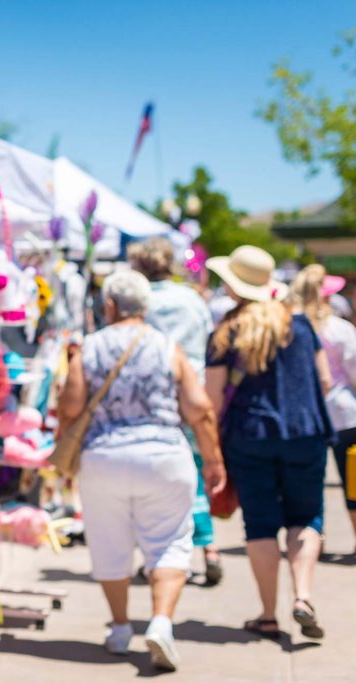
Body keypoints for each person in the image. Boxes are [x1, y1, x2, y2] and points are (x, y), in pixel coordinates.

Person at [58, 270, 225, 671]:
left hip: (105, 458)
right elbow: (199, 410)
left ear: (110, 305)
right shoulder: (168, 347)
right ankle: (162, 623)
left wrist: (62, 453)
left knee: (109, 542)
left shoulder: (90, 347)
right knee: (169, 541)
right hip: (164, 456)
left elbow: (70, 407)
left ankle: (118, 629)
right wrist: (214, 460)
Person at [205, 246, 333, 640]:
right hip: (305, 433)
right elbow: (325, 381)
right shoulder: (301, 325)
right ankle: (304, 597)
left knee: (260, 523)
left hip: (249, 436)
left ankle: (267, 614)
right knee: (306, 518)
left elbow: (211, 399)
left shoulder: (226, 331)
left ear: (232, 285)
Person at [129, 237, 223, 585]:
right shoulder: (191, 299)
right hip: (195, 390)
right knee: (196, 473)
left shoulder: (140, 300)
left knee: (156, 479)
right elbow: (209, 342)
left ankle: (159, 556)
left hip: (154, 399)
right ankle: (208, 547)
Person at [290, 264, 356, 553]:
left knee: (310, 484)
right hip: (345, 414)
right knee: (353, 481)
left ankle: (315, 538)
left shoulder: (293, 329)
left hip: (307, 417)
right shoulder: (341, 329)